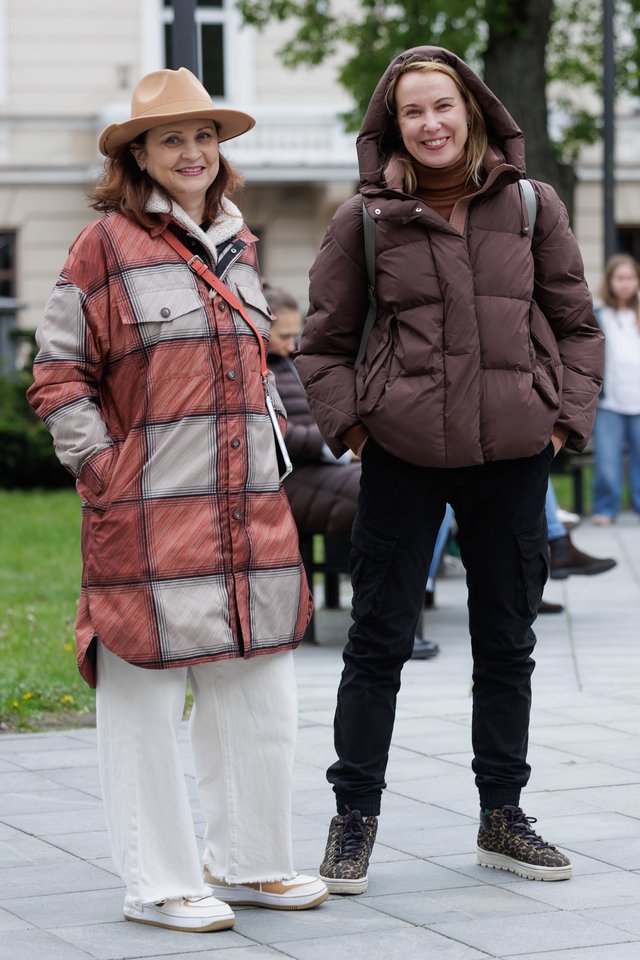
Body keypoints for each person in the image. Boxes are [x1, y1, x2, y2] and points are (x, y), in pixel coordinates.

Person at [296, 47, 604, 891]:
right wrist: (360, 435)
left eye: (443, 106)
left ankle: (503, 816)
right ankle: (353, 820)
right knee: (377, 642)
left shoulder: (533, 207)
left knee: (508, 643)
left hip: (512, 459)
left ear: (471, 109)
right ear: (393, 125)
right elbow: (321, 344)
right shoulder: (363, 220)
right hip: (402, 459)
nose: (430, 124)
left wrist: (559, 425)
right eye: (412, 112)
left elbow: (577, 327)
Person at [27, 67, 328, 933]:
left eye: (204, 136)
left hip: (247, 510)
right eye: (171, 139)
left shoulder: (239, 242)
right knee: (145, 701)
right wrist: (104, 471)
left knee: (260, 688)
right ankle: (157, 883)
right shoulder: (102, 246)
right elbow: (57, 374)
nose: (192, 152)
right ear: (138, 155)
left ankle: (251, 863)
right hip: (149, 514)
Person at [264, 283, 439, 659]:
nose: (293, 344)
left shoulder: (293, 361)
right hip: (296, 477)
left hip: (327, 467)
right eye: (284, 336)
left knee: (410, 486)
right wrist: (341, 447)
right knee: (388, 499)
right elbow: (277, 435)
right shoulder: (257, 369)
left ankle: (398, 620)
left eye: (296, 334)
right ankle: (388, 626)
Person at [591, 254, 640, 524]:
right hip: (609, 402)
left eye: (630, 278)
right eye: (620, 278)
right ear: (610, 281)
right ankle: (606, 508)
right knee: (607, 461)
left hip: (638, 399)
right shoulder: (600, 315)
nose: (625, 283)